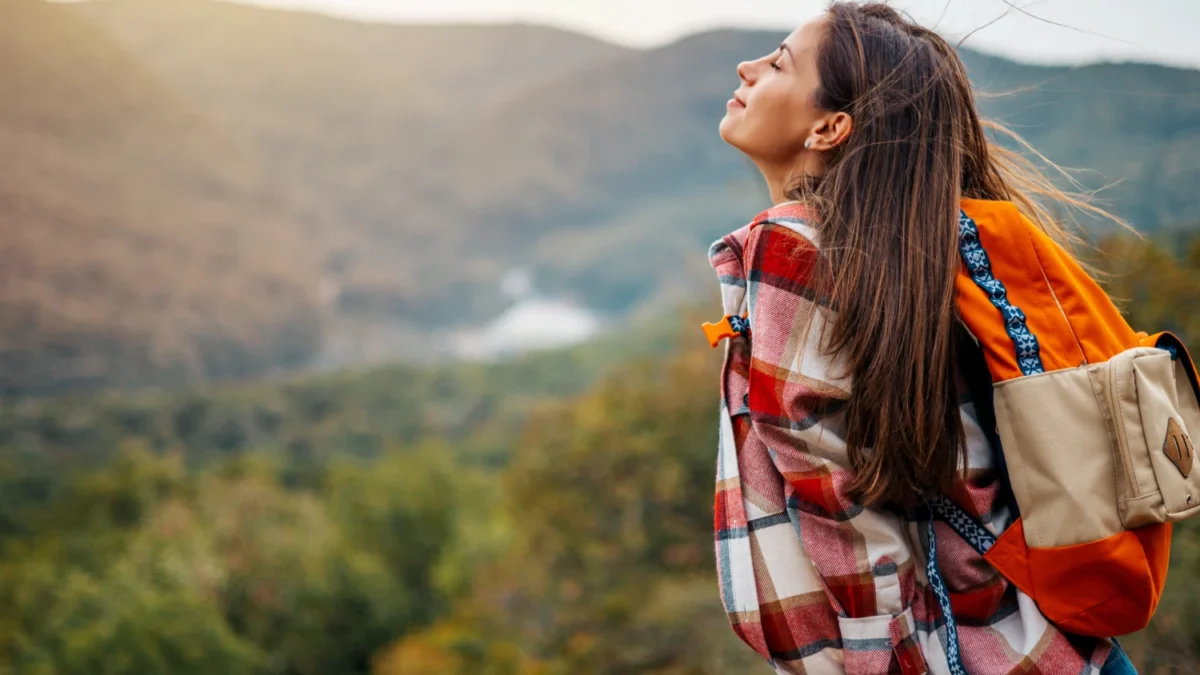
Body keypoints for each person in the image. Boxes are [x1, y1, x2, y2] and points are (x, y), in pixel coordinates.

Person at [709, 3, 1139, 673]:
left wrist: (876, 663)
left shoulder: (789, 250)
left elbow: (838, 512)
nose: (748, 66)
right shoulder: (928, 254)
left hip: (953, 657)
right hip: (1052, 647)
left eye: (779, 62)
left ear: (829, 126)